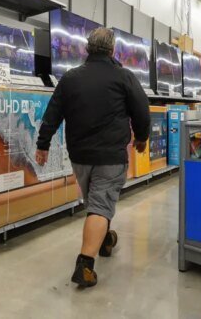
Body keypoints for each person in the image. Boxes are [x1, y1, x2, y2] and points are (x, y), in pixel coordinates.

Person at [36, 27, 151, 289]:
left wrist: (43, 144)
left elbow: (52, 114)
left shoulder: (70, 78)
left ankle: (105, 240)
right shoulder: (124, 76)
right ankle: (85, 265)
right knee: (100, 205)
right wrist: (142, 137)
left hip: (80, 155)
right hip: (111, 156)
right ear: (113, 50)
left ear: (87, 48)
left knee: (97, 202)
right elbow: (142, 110)